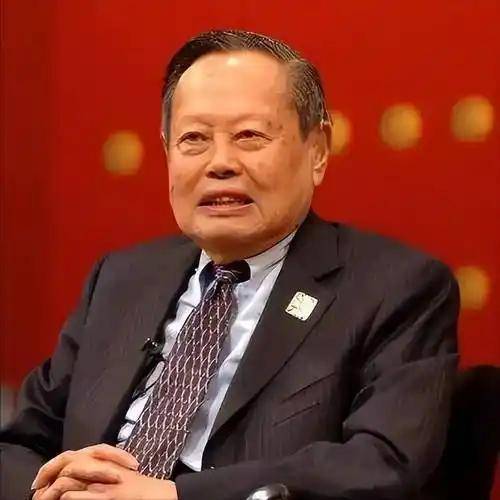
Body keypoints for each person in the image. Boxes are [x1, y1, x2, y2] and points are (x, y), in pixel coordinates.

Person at [0, 30, 459, 500]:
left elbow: (379, 463)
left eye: (249, 137)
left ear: (318, 149)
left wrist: (171, 497)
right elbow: (17, 444)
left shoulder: (396, 288)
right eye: (194, 139)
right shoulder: (122, 278)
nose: (220, 163)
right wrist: (49, 491)